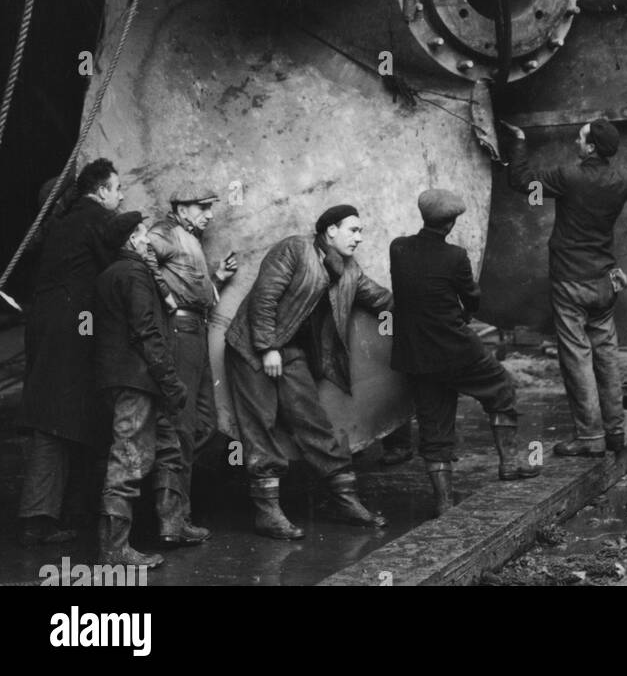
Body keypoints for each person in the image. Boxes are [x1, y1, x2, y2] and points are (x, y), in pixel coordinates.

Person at [224, 204, 392, 540]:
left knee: (312, 421)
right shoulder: (295, 249)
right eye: (353, 230)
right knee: (262, 422)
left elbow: (380, 298)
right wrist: (267, 347)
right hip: (252, 347)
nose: (359, 238)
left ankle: (345, 499)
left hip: (293, 352)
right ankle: (267, 513)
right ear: (330, 230)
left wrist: (429, 300)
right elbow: (264, 298)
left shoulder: (348, 270)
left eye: (360, 232)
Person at [504, 112, 627, 457]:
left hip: (570, 282)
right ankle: (616, 432)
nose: (576, 141)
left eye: (580, 137)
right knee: (607, 357)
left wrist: (518, 141)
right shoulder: (621, 181)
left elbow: (521, 181)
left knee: (577, 359)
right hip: (604, 281)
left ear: (590, 148)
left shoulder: (568, 177)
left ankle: (590, 438)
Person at [389, 189, 540, 515]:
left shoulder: (398, 249)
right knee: (500, 387)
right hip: (456, 349)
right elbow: (472, 298)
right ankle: (509, 463)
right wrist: (462, 313)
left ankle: (444, 503)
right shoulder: (455, 257)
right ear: (451, 224)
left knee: (434, 423)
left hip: (416, 355)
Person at [17, 159, 131, 547]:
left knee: (62, 417)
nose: (121, 195)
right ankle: (37, 520)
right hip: (70, 328)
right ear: (100, 192)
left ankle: (59, 514)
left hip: (53, 325)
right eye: (117, 189)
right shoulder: (94, 219)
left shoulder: (63, 224)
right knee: (55, 421)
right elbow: (115, 257)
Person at [147, 185, 237, 545]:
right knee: (179, 426)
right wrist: (166, 299)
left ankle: (165, 500)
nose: (209, 214)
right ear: (181, 208)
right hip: (180, 333)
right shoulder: (164, 233)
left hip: (195, 330)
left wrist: (217, 279)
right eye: (202, 207)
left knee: (204, 424)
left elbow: (195, 292)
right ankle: (171, 520)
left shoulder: (189, 238)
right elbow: (140, 255)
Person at [95, 214, 187, 568]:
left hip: (125, 379)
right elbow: (145, 331)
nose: (148, 240)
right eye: (143, 235)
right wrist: (170, 381)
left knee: (163, 445)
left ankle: (172, 523)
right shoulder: (135, 274)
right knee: (129, 458)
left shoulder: (110, 274)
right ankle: (114, 550)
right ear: (132, 240)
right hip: (138, 380)